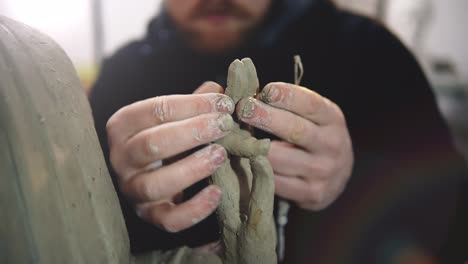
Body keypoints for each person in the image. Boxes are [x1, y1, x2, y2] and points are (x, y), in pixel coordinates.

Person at [89, 0, 468, 263]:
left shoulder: (370, 51)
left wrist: (352, 179)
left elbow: (453, 221)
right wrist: (115, 191)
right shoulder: (122, 75)